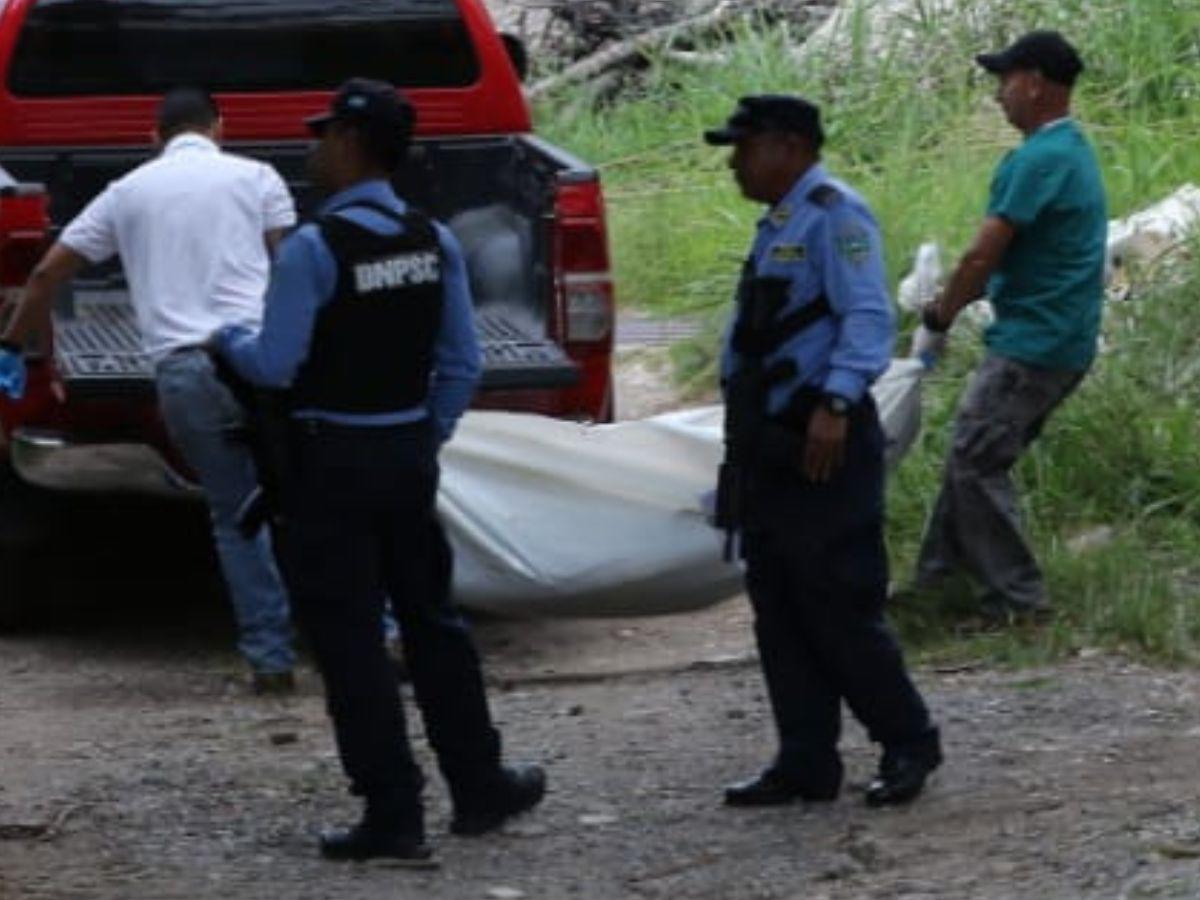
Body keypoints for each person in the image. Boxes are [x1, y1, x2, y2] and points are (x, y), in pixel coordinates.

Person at [211, 78, 544, 865]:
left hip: (330, 464)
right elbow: (462, 362)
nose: (312, 148)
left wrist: (225, 343)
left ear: (352, 146)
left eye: (323, 136)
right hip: (404, 458)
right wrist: (422, 434)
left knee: (352, 638)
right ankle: (479, 784)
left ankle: (393, 812)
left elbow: (277, 363)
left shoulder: (316, 248)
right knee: (433, 623)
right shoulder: (432, 240)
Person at [0, 88, 297, 691]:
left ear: (153, 138)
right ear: (220, 128)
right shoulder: (259, 176)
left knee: (235, 515)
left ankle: (272, 662)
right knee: (314, 504)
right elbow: (293, 269)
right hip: (267, 361)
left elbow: (46, 273)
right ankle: (378, 633)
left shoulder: (127, 192)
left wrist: (9, 346)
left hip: (187, 373)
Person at [706, 95, 941, 809]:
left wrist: (837, 403)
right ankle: (805, 759)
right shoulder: (782, 220)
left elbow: (868, 315)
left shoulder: (836, 213)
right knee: (778, 607)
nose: (733, 164)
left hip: (822, 441)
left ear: (787, 146)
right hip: (772, 444)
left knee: (838, 602)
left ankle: (907, 741)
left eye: (742, 149)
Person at [915, 31, 1106, 621]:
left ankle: (1019, 602)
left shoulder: (1040, 159)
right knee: (971, 453)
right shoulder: (1069, 150)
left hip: (1035, 343)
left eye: (1005, 81)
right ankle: (936, 587)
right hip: (1059, 338)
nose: (999, 95)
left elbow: (982, 254)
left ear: (1034, 83)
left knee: (975, 461)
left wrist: (939, 315)